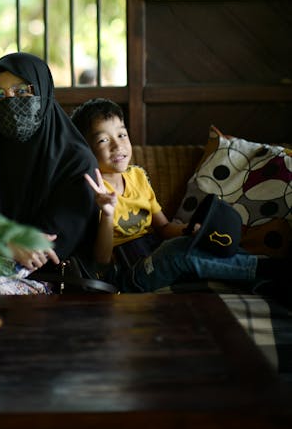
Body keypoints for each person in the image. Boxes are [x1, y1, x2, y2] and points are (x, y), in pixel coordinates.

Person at [70, 97, 289, 294]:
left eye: (121, 134)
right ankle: (272, 269)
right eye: (103, 140)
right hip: (126, 276)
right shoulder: (92, 192)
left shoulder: (137, 176)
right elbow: (101, 260)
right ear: (85, 149)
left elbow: (164, 228)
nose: (118, 145)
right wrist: (107, 213)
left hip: (156, 255)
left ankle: (265, 282)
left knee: (204, 243)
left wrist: (189, 232)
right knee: (175, 253)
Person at [0, 52, 100, 274]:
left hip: (53, 285)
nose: (10, 101)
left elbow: (47, 249)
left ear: (44, 92)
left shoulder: (75, 161)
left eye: (21, 91)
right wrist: (5, 245)